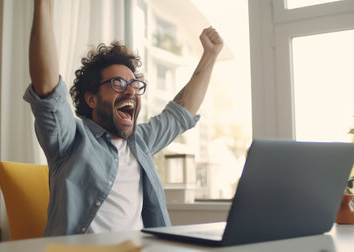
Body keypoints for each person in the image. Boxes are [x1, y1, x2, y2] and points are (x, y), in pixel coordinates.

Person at [24, 0, 223, 236]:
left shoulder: (141, 141)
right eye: (117, 83)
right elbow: (47, 89)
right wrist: (43, 5)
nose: (130, 91)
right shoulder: (70, 140)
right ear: (92, 99)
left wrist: (210, 54)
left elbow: (181, 112)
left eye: (135, 85)